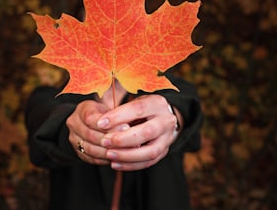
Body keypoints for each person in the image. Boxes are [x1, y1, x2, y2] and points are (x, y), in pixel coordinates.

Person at [25, 72, 202, 210]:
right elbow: (45, 124)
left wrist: (172, 120)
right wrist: (72, 131)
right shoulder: (52, 97)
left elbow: (186, 111)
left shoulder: (172, 89)